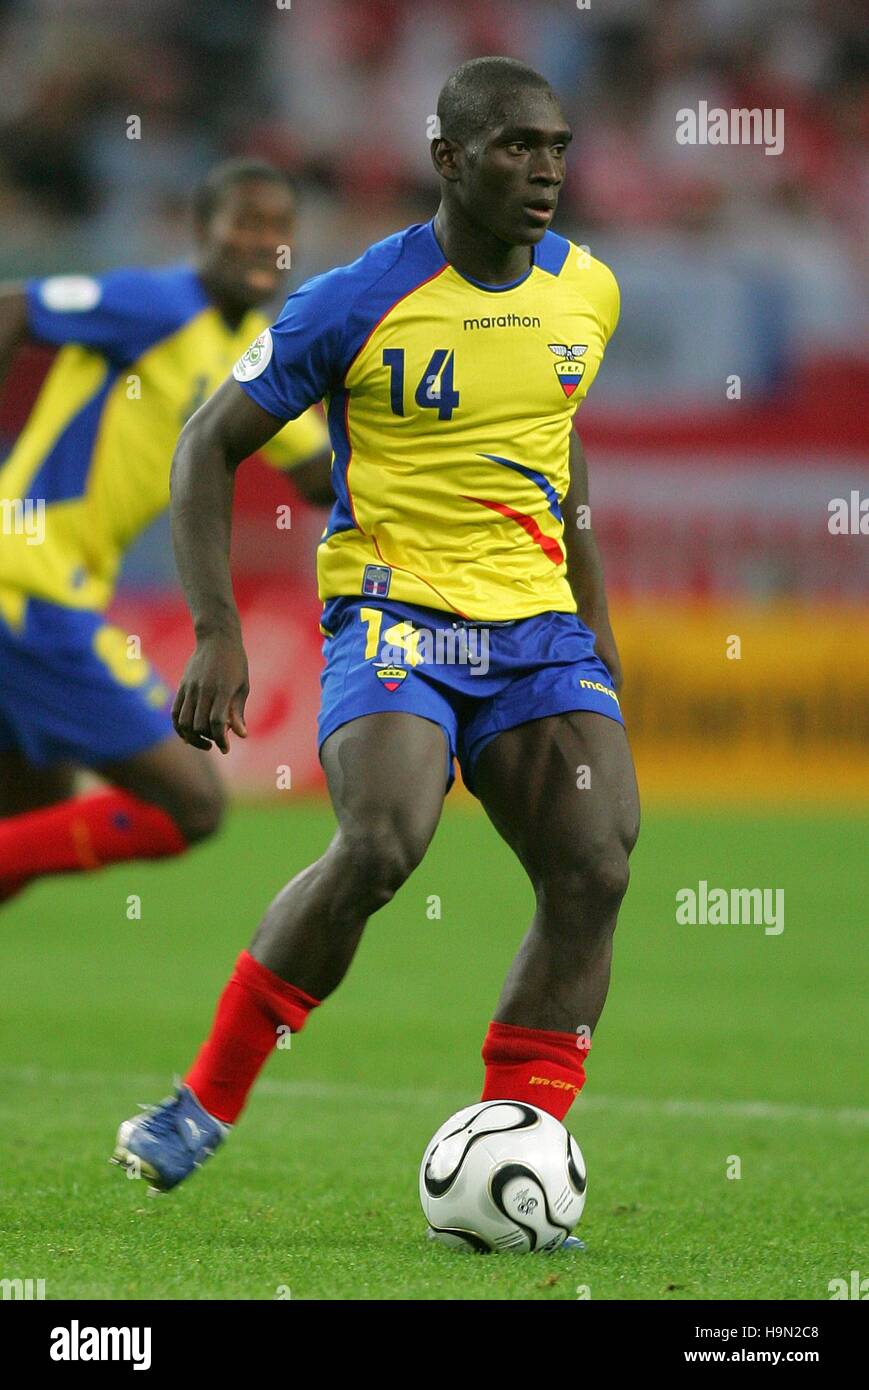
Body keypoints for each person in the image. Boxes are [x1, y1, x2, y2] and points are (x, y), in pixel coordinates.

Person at [113, 58, 640, 1206]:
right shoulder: (354, 298)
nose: (544, 168)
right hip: (397, 612)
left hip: (534, 624)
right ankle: (201, 1101)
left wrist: (589, 614)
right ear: (448, 160)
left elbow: (556, 438)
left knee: (596, 862)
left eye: (554, 146)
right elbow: (206, 443)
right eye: (514, 146)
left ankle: (518, 1145)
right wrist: (214, 630)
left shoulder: (585, 290)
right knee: (384, 840)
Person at [0, 158, 332, 902]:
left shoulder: (251, 354)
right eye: (245, 222)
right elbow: (12, 308)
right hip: (24, 587)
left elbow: (320, 474)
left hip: (50, 594)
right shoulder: (156, 303)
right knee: (190, 804)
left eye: (280, 229)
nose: (264, 242)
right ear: (202, 231)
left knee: (23, 844)